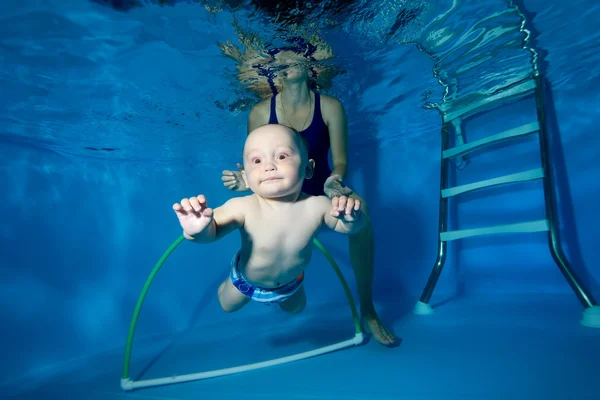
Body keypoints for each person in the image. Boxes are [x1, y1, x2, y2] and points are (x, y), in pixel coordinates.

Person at [220, 43, 397, 346]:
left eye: (294, 54)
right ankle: (258, 276)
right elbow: (255, 159)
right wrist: (246, 180)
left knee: (361, 211)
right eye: (278, 56)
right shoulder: (261, 111)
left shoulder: (329, 105)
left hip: (319, 183)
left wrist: (336, 181)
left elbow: (339, 159)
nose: (285, 60)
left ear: (310, 64)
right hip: (278, 192)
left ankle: (367, 308)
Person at [174, 124, 365, 313]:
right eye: (257, 161)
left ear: (308, 168)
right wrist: (197, 231)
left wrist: (351, 219)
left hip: (292, 282)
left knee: (297, 309)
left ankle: (287, 297)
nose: (269, 166)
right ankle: (228, 283)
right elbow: (212, 232)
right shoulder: (242, 207)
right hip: (246, 282)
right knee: (227, 306)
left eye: (282, 156)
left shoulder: (319, 206)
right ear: (246, 178)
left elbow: (346, 228)